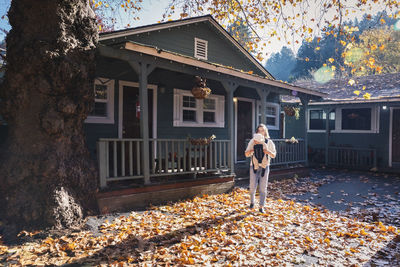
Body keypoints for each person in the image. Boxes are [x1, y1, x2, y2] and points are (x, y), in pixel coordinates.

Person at [245, 124, 276, 213]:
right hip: (254, 166)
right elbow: (246, 154)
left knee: (263, 188)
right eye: (259, 131)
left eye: (263, 130)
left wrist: (267, 152)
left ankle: (261, 206)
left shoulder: (269, 142)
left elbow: (274, 155)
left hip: (265, 167)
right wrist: (252, 150)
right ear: (256, 132)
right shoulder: (252, 141)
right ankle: (252, 202)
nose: (261, 132)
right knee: (252, 186)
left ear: (265, 131)